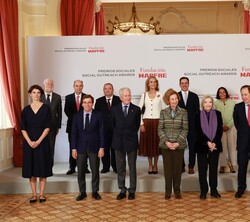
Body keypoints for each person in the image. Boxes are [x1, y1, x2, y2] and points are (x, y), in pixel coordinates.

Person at [21, 85, 52, 203]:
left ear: (41, 94)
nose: (36, 94)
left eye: (38, 92)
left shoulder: (46, 108)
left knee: (42, 168)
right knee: (31, 168)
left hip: (42, 142)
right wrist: (29, 141)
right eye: (34, 92)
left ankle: (42, 194)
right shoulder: (26, 110)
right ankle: (34, 194)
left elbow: (48, 127)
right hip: (29, 142)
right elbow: (23, 128)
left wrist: (38, 141)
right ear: (30, 94)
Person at [71, 95, 104, 201]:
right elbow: (74, 133)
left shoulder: (98, 115)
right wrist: (73, 148)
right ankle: (82, 192)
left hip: (94, 147)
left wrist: (101, 147)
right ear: (82, 104)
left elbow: (102, 133)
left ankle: (95, 192)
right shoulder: (76, 116)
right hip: (80, 147)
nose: (87, 104)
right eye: (85, 102)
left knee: (95, 171)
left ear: (92, 103)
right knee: (80, 171)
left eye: (89, 102)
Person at [111, 87, 141, 200]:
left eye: (129, 95)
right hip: (118, 141)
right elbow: (112, 125)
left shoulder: (136, 109)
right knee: (120, 167)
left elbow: (136, 125)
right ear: (121, 97)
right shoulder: (114, 109)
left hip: (131, 141)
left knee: (132, 167)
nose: (128, 97)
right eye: (126, 95)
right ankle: (122, 189)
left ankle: (132, 190)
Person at [158, 88, 188, 200]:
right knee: (168, 170)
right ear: (168, 100)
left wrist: (177, 143)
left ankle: (177, 190)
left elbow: (185, 129)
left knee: (177, 169)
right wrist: (166, 142)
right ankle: (167, 191)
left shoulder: (183, 112)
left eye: (176, 99)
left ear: (178, 99)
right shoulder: (163, 112)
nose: (174, 101)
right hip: (165, 145)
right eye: (172, 99)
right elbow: (160, 129)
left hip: (178, 145)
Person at [195, 95, 223, 200]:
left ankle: (214, 191)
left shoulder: (218, 114)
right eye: (205, 102)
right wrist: (207, 143)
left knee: (213, 170)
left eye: (210, 102)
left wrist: (214, 143)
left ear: (212, 103)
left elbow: (219, 130)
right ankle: (203, 191)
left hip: (215, 146)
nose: (208, 104)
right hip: (202, 146)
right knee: (202, 170)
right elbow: (198, 132)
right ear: (202, 104)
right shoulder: (197, 115)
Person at [138, 76, 165, 174]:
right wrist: (141, 124)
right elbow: (139, 111)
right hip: (147, 122)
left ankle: (156, 165)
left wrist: (163, 124)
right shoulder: (144, 95)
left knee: (156, 144)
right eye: (151, 82)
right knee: (148, 144)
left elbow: (163, 110)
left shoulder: (160, 95)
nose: (153, 84)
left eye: (154, 82)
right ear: (148, 84)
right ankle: (150, 165)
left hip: (157, 122)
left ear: (156, 84)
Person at [64, 80, 90, 175]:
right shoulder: (68, 97)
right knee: (73, 147)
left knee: (85, 147)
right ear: (73, 86)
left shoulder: (87, 97)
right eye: (76, 86)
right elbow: (67, 111)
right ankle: (72, 167)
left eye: (80, 86)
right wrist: (77, 120)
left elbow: (88, 110)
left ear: (82, 86)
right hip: (72, 126)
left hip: (85, 127)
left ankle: (84, 167)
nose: (78, 87)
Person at [94, 83, 121, 173]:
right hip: (103, 130)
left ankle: (115, 167)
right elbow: (96, 115)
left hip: (116, 130)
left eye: (109, 88)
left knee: (115, 149)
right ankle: (105, 167)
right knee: (104, 148)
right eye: (106, 89)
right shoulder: (99, 101)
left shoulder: (118, 100)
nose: (108, 90)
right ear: (103, 90)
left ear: (113, 90)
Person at [178, 77, 200, 174]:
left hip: (192, 127)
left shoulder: (194, 96)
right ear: (179, 84)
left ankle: (191, 166)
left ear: (188, 84)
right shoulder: (176, 96)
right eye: (182, 83)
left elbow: (197, 112)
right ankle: (181, 166)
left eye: (186, 83)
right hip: (180, 127)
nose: (184, 85)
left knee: (192, 147)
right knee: (180, 147)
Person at [41, 78, 62, 167]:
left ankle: (49, 167)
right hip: (40, 127)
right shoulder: (39, 96)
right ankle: (42, 166)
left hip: (52, 127)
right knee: (41, 147)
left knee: (51, 147)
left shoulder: (57, 97)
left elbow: (59, 113)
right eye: (48, 83)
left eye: (52, 84)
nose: (50, 85)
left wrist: (58, 126)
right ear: (44, 84)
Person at [215, 87, 236, 173]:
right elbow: (215, 116)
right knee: (222, 147)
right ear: (218, 94)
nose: (222, 94)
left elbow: (235, 115)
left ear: (226, 93)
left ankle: (232, 165)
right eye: (220, 92)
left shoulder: (232, 103)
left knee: (231, 146)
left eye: (224, 92)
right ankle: (223, 165)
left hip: (231, 127)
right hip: (220, 128)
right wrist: (222, 125)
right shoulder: (215, 103)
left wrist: (229, 125)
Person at [233, 85, 250, 198]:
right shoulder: (238, 107)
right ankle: (241, 188)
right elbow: (237, 124)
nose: (243, 97)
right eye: (242, 94)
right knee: (242, 166)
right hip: (243, 143)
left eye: (246, 94)